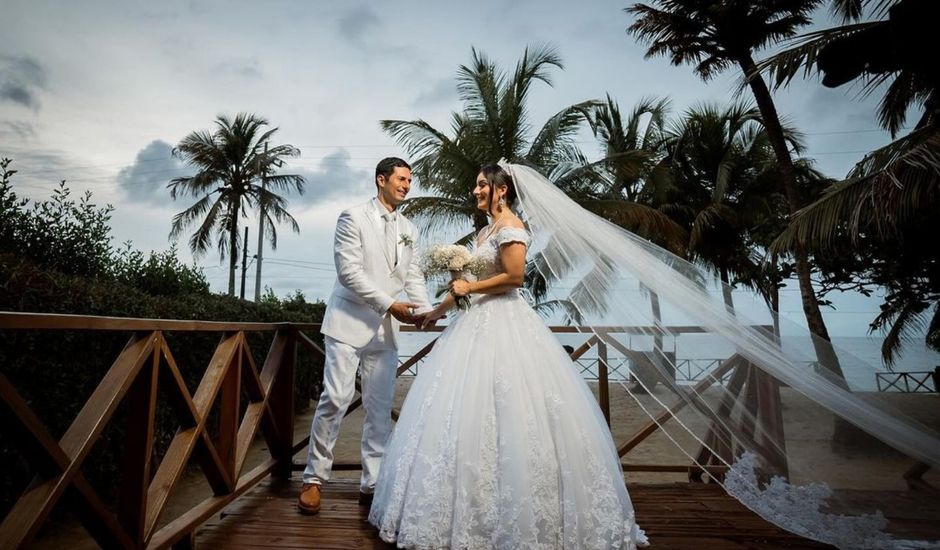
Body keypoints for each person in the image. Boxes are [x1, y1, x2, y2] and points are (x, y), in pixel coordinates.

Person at [368, 164, 648, 549]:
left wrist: (471, 283)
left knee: (517, 414)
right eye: (477, 184)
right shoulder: (485, 231)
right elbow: (467, 288)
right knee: (463, 417)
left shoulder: (513, 226)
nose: (476, 190)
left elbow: (514, 277)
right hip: (472, 326)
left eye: (482, 184)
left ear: (501, 190)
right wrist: (434, 312)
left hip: (507, 325)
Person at [297, 157, 434, 515]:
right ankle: (314, 478)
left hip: (386, 332)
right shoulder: (352, 217)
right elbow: (349, 273)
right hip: (347, 323)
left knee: (378, 406)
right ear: (381, 180)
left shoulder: (410, 229)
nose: (407, 185)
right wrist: (391, 304)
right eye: (401, 179)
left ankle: (372, 484)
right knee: (336, 398)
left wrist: (425, 310)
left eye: (410, 180)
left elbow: (413, 276)